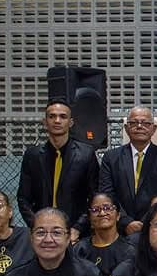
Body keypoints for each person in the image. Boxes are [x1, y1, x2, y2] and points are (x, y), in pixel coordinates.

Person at [16, 98, 99, 241]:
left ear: (71, 122)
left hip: (76, 232)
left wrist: (78, 228)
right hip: (42, 231)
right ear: (45, 122)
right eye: (52, 116)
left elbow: (95, 197)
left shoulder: (86, 154)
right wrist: (36, 225)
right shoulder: (33, 155)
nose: (57, 121)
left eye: (63, 116)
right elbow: (23, 198)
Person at [99, 106, 157, 236]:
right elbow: (107, 194)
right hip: (118, 229)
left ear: (153, 129)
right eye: (133, 123)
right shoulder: (111, 157)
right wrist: (126, 222)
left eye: (145, 123)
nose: (139, 126)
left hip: (155, 228)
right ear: (126, 128)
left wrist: (146, 222)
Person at [71, 192, 136, 276]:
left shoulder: (129, 251)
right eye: (95, 210)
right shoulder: (78, 249)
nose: (102, 213)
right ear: (89, 218)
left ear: (118, 215)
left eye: (107, 208)